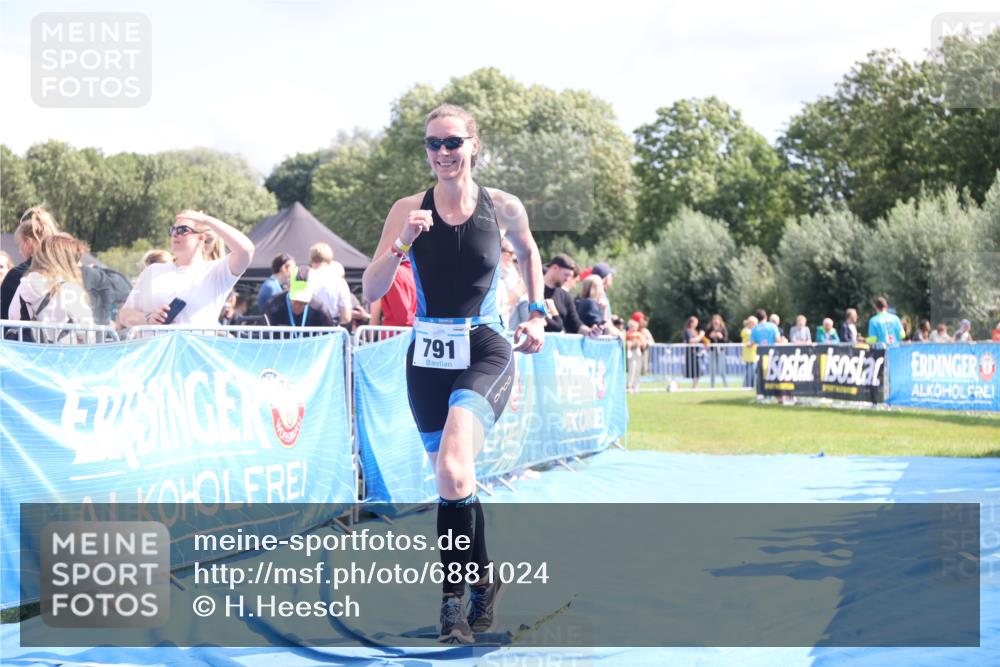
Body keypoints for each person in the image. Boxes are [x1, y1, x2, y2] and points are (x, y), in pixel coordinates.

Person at [361, 104, 546, 644]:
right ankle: (484, 583)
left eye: (452, 142)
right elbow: (371, 291)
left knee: (451, 468)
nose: (442, 153)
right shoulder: (407, 209)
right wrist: (402, 245)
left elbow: (530, 252)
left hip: (485, 346)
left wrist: (536, 313)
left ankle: (451, 605)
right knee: (454, 480)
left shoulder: (503, 206)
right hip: (426, 353)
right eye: (432, 144)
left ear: (473, 145)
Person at [117, 210, 255, 329]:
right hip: (155, 356)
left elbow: (246, 250)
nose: (175, 234)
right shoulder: (152, 271)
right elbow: (124, 314)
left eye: (182, 230)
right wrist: (148, 319)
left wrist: (206, 220)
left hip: (194, 357)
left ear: (201, 238)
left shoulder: (216, 272)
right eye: (173, 230)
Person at [8, 232, 94, 343]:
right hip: (62, 356)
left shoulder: (24, 285)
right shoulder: (70, 290)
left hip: (26, 355)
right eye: (75, 260)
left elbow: (13, 319)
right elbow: (88, 333)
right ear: (66, 262)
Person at [2, 207, 60, 329]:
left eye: (20, 244)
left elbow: (4, 317)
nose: (19, 250)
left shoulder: (16, 275)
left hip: (24, 345)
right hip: (62, 344)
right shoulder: (64, 273)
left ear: (29, 243)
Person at [262, 266, 336, 334]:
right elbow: (263, 336)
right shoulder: (274, 305)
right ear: (289, 288)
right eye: (294, 300)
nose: (297, 306)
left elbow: (330, 340)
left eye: (303, 303)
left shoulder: (320, 309)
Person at [539, 253, 588, 335]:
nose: (568, 279)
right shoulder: (535, 290)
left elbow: (575, 323)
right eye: (566, 275)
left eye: (570, 276)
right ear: (555, 268)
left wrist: (590, 332)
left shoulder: (565, 296)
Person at [309, 242, 352, 325]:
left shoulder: (304, 277)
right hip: (331, 330)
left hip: (307, 330)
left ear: (312, 258)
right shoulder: (339, 281)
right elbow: (346, 317)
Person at [704, 313, 729, 386]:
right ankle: (712, 386)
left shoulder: (723, 329)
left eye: (717, 320)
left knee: (722, 369)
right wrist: (709, 337)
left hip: (721, 351)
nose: (715, 322)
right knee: (712, 370)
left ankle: (725, 385)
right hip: (712, 351)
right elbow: (705, 340)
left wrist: (721, 337)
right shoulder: (709, 330)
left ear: (720, 321)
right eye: (714, 320)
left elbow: (726, 340)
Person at [682, 316, 706, 389]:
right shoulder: (687, 331)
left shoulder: (695, 331)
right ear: (691, 323)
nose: (697, 324)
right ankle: (694, 386)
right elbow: (690, 341)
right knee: (695, 370)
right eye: (696, 322)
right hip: (691, 353)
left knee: (698, 370)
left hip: (697, 353)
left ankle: (695, 386)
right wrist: (700, 336)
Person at [740, 315, 759, 387]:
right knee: (750, 372)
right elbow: (751, 341)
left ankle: (749, 385)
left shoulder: (750, 331)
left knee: (751, 371)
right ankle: (747, 385)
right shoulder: (746, 331)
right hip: (749, 354)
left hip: (753, 354)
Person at [625, 319, 643, 392]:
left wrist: (638, 343)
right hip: (631, 351)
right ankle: (629, 385)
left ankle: (636, 385)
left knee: (637, 369)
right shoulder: (628, 333)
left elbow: (642, 341)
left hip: (637, 351)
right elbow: (627, 342)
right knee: (632, 369)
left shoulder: (639, 334)